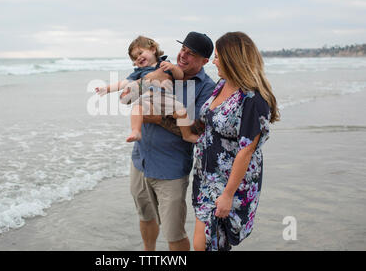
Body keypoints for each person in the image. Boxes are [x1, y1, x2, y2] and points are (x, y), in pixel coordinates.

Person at [192, 31, 280, 251]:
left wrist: (228, 195)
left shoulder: (253, 98)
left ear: (233, 59)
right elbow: (208, 124)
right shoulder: (222, 86)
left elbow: (246, 151)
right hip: (206, 175)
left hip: (229, 182)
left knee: (208, 244)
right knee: (202, 245)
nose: (214, 61)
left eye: (219, 57)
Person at [129, 31, 216, 251]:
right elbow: (128, 97)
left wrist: (156, 118)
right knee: (146, 216)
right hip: (141, 161)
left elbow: (197, 126)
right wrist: (148, 79)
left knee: (174, 233)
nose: (183, 56)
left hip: (171, 170)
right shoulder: (161, 67)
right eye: (183, 49)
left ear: (204, 61)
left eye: (192, 54)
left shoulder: (207, 88)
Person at [95, 36, 195, 143]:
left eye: (140, 53)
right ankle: (136, 131)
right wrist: (107, 89)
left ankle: (187, 135)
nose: (138, 58)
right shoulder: (139, 72)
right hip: (149, 99)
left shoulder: (166, 64)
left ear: (153, 49)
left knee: (182, 111)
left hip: (168, 99)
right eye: (134, 58)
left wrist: (173, 68)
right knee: (137, 108)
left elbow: (179, 76)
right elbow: (124, 83)